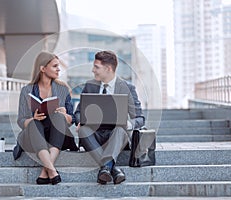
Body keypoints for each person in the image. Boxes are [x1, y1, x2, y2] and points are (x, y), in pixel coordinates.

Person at [74, 50, 145, 185]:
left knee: (120, 129)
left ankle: (106, 168)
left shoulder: (127, 88)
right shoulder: (90, 86)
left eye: (96, 67)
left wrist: (127, 124)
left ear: (108, 68)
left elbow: (140, 118)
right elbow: (78, 113)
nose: (93, 70)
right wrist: (79, 121)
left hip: (116, 136)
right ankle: (111, 169)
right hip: (93, 136)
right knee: (83, 130)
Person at [16, 51, 77, 185]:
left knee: (59, 118)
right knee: (34, 123)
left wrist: (65, 115)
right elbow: (21, 120)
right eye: (55, 66)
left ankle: (46, 171)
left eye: (58, 66)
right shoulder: (27, 90)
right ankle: (51, 169)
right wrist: (33, 118)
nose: (58, 69)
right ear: (43, 69)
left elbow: (72, 119)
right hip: (35, 136)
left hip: (57, 134)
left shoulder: (63, 89)